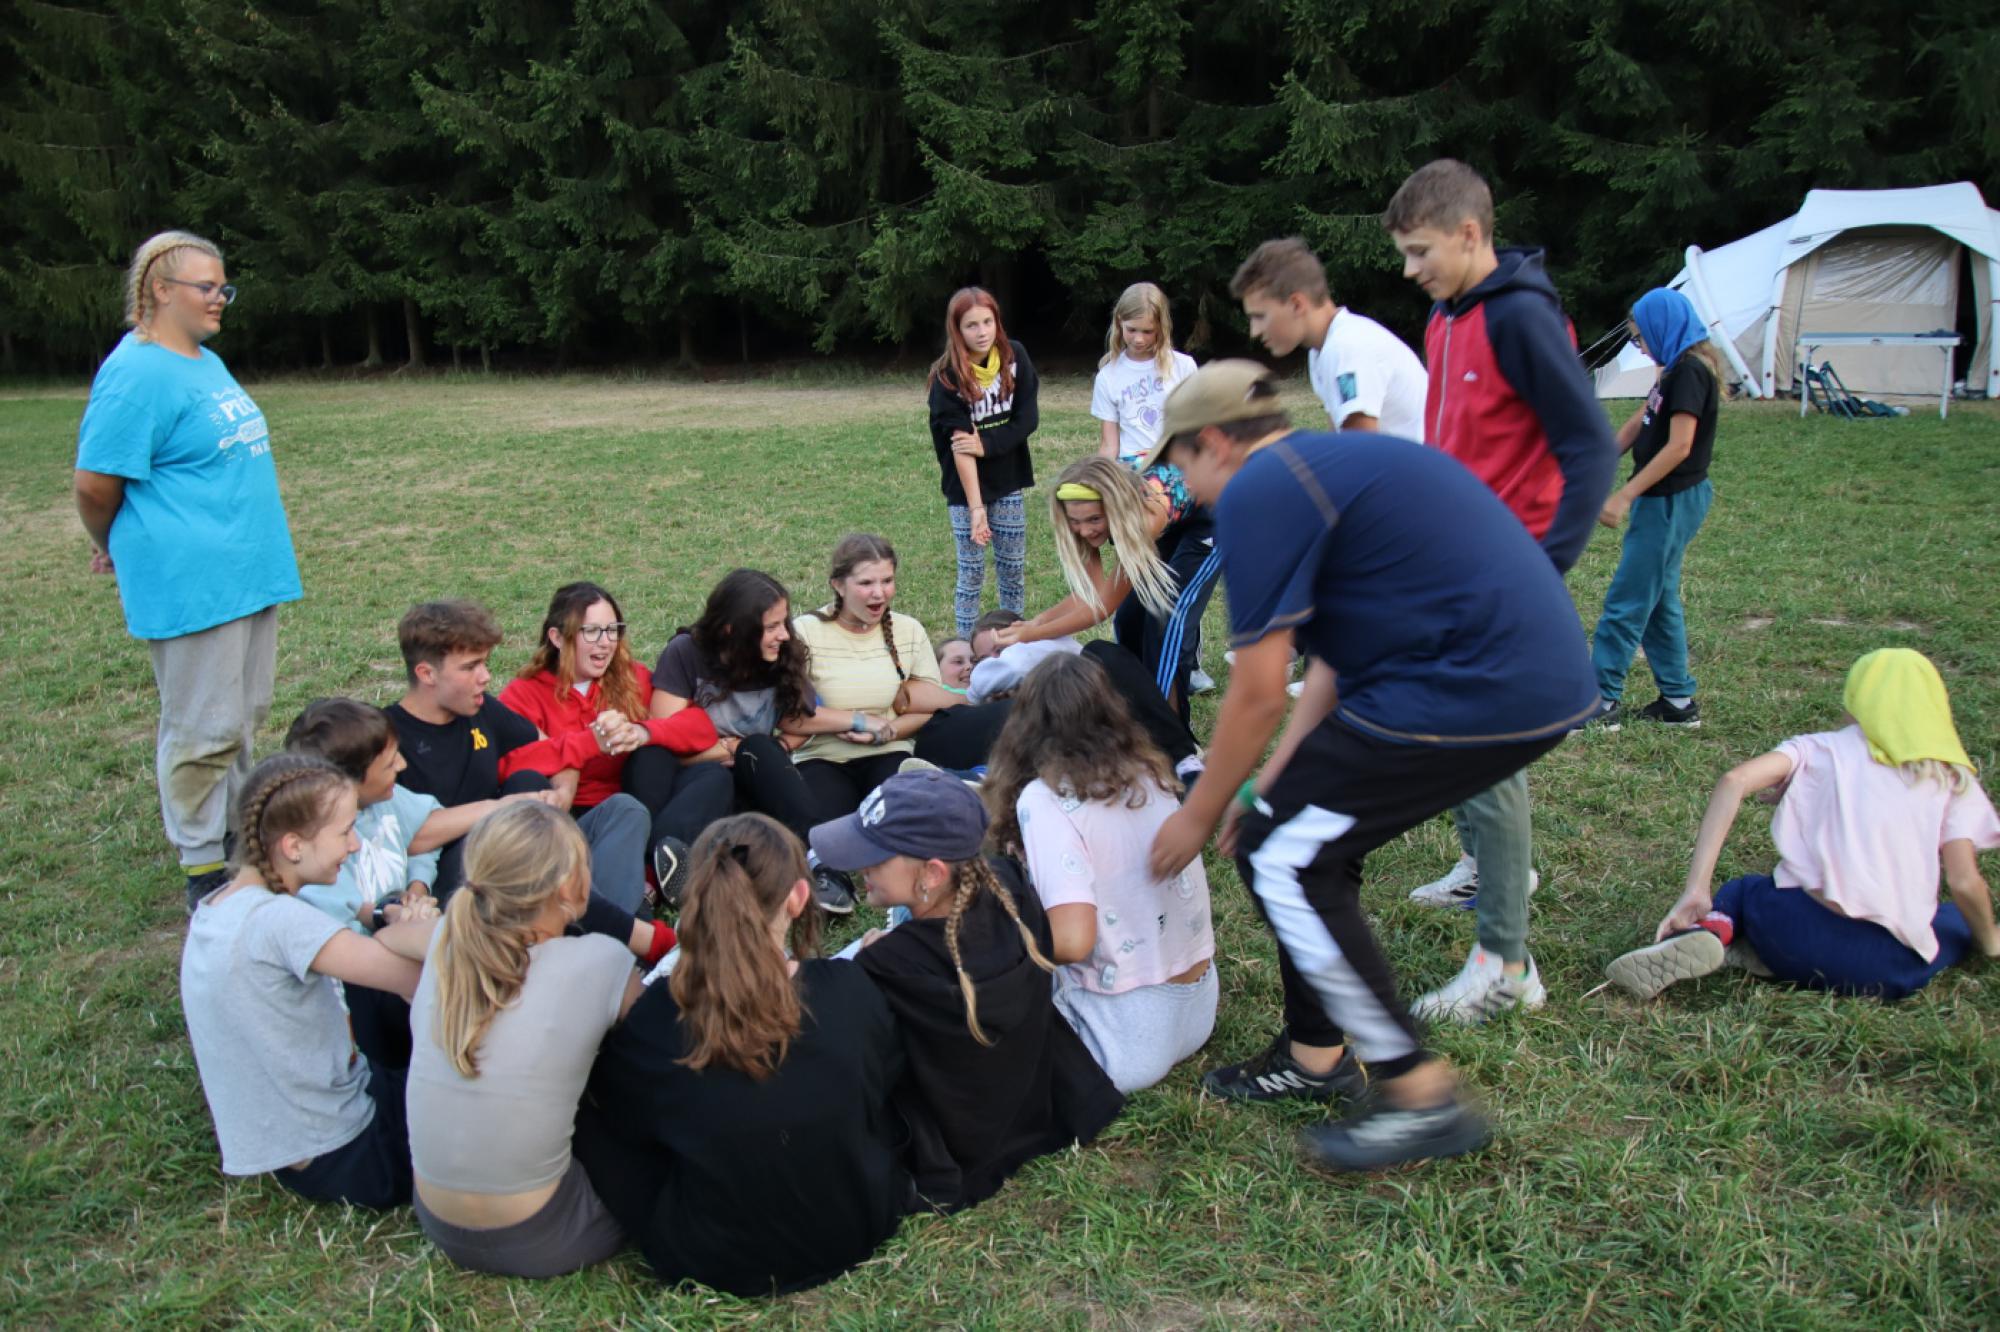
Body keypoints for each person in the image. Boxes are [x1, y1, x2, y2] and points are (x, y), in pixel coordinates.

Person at [1144, 361, 1598, 1170]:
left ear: (1213, 442)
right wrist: (1270, 784)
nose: (1184, 489)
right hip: (1530, 674)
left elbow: (1257, 691)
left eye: (1179, 466)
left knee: (1279, 856)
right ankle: (1315, 1054)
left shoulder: (1258, 491)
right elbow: (1331, 662)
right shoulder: (1325, 465)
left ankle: (1418, 1093)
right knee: (1299, 833)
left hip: (1476, 683)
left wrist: (1199, 811)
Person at [1383, 158, 1617, 1023]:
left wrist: (1542, 567)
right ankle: (1486, 871)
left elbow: (1589, 446)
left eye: (1421, 252)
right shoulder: (1448, 315)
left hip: (1504, 573)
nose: (1411, 270)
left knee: (1480, 747)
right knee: (1451, 735)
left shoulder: (1521, 315)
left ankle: (1507, 965)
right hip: (1451, 565)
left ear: (1471, 234)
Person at [573, 815, 910, 1295]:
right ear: (798, 897)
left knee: (590, 1116)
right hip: (860, 1223)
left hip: (717, 1261)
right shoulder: (849, 990)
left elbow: (628, 1120)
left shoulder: (657, 1019)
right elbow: (884, 1082)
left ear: (697, 899)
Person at [73, 231, 303, 912]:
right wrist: (111, 544)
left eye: (223, 287)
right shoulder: (137, 373)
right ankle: (204, 869)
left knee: (240, 718)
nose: (219, 298)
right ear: (159, 289)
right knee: (203, 728)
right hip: (192, 580)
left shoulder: (203, 360)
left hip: (246, 570)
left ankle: (238, 840)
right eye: (206, 287)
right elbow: (94, 484)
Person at [1606, 649, 2000, 1003]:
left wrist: (1696, 888)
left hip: (1791, 933)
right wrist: (1989, 939)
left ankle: (1715, 931)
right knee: (1952, 919)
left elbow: (1734, 780)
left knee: (1745, 890)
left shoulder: (1819, 748)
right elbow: (1964, 882)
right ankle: (1755, 954)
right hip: (1886, 970)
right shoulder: (1951, 778)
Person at [811, 770, 1123, 1210]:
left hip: (955, 1141)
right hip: (1034, 1107)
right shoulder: (1009, 886)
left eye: (875, 856)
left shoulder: (889, 964)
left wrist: (863, 961)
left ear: (932, 873)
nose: (860, 867)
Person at [180, 754, 433, 1209]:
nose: (355, 845)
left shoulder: (219, 907)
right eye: (345, 832)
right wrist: (419, 927)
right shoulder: (280, 921)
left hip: (294, 1146)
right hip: (352, 1151)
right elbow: (421, 977)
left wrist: (389, 920)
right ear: (294, 846)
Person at [407, 802, 640, 1277]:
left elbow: (393, 943)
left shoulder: (446, 938)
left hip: (437, 1221)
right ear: (567, 885)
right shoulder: (603, 958)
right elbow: (652, 1044)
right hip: (550, 1235)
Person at [383, 601, 673, 969]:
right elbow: (406, 834)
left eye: (485, 663)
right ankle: (633, 941)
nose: (486, 676)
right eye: (470, 667)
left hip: (525, 853)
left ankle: (602, 941)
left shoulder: (482, 710)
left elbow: (553, 750)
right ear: (426, 673)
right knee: (527, 836)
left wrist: (563, 792)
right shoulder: (387, 739)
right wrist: (501, 809)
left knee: (623, 809)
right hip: (469, 875)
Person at [984, 655, 1217, 1093]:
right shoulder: (1151, 771)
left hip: (1117, 1032)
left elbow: (1073, 941)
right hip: (1197, 1009)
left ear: (1023, 724)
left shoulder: (1045, 799)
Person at [650, 568, 866, 912]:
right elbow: (661, 740)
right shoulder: (686, 653)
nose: (784, 634)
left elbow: (798, 720)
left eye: (784, 622)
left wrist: (783, 746)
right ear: (732, 629)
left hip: (752, 777)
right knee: (727, 771)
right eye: (771, 626)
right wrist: (725, 749)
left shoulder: (780, 655)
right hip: (699, 780)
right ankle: (689, 874)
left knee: (760, 748)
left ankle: (823, 865)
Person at [498, 582, 725, 909]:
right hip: (580, 813)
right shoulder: (525, 693)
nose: (605, 642)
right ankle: (642, 879)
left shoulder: (630, 677)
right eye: (591, 632)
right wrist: (589, 743)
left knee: (711, 776)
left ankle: (653, 871)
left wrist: (642, 732)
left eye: (612, 630)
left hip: (644, 798)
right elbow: (506, 764)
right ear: (557, 637)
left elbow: (700, 727)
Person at [995, 455, 1219, 727]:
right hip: (1173, 515)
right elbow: (1090, 593)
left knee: (1165, 624)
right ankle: (1137, 712)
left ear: (1115, 509)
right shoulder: (1080, 516)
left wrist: (1032, 635)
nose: (1085, 530)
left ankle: (1172, 732)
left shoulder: (1142, 521)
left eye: (1095, 519)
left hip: (1211, 514)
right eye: (1076, 521)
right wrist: (1037, 622)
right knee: (1129, 619)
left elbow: (1102, 607)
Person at [1586, 287, 1723, 730]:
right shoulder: (1672, 370)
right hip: (1662, 501)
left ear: (1664, 329)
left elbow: (1680, 446)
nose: (1639, 346)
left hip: (1669, 501)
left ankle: (1601, 702)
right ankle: (1678, 702)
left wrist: (1624, 495)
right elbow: (1643, 419)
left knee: (1626, 601)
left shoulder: (1690, 374)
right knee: (1658, 600)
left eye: (1640, 337)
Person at [786, 534, 963, 834]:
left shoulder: (909, 631)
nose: (879, 593)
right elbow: (791, 715)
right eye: (866, 583)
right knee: (824, 833)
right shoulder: (805, 632)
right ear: (838, 585)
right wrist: (858, 721)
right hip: (822, 756)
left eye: (887, 581)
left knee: (902, 827)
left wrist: (888, 730)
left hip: (890, 752)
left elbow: (929, 709)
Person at [1230, 236, 1426, 440]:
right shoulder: (1322, 350)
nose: (1254, 331)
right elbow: (1338, 442)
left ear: (1297, 304)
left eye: (1260, 316)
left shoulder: (1347, 347)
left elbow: (1361, 450)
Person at [926, 287, 1039, 638]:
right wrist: (976, 509)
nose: (982, 332)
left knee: (1012, 570)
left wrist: (987, 445)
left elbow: (1027, 419)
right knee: (971, 572)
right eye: (971, 325)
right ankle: (964, 647)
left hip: (1008, 482)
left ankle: (1012, 642)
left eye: (988, 322)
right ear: (957, 330)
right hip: (965, 491)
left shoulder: (1014, 356)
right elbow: (962, 447)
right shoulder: (948, 377)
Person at [1091, 281, 1199, 464]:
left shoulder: (1183, 366)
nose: (1139, 339)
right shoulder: (1107, 377)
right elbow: (1109, 446)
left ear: (1161, 327)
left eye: (1148, 331)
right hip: (1133, 468)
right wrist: (1100, 476)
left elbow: (1197, 424)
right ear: (1119, 322)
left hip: (1176, 462)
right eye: (1132, 330)